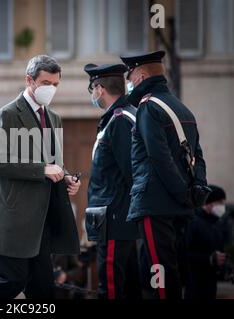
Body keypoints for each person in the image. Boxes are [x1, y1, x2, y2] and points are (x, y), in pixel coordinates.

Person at [0, 55, 81, 299]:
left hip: (41, 220)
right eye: (46, 83)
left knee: (43, 288)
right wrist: (42, 169)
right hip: (12, 220)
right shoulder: (8, 114)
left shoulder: (54, 117)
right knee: (12, 281)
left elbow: (54, 161)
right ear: (29, 80)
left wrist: (66, 177)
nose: (51, 89)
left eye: (55, 85)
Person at [120, 50, 208, 299]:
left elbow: (159, 157)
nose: (129, 81)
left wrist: (180, 193)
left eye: (130, 74)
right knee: (173, 270)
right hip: (181, 206)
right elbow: (198, 156)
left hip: (155, 204)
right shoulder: (183, 109)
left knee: (159, 271)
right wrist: (195, 189)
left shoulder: (148, 107)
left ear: (141, 75)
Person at [83, 63, 141, 299]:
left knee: (111, 288)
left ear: (99, 88)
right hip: (116, 217)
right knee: (127, 286)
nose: (94, 95)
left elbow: (131, 171)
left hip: (115, 217)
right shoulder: (120, 116)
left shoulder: (120, 120)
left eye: (93, 89)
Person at [184, 185, 228, 299]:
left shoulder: (216, 224)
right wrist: (209, 259)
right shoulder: (193, 222)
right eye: (220, 202)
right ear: (210, 202)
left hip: (211, 284)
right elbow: (185, 253)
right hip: (195, 285)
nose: (223, 206)